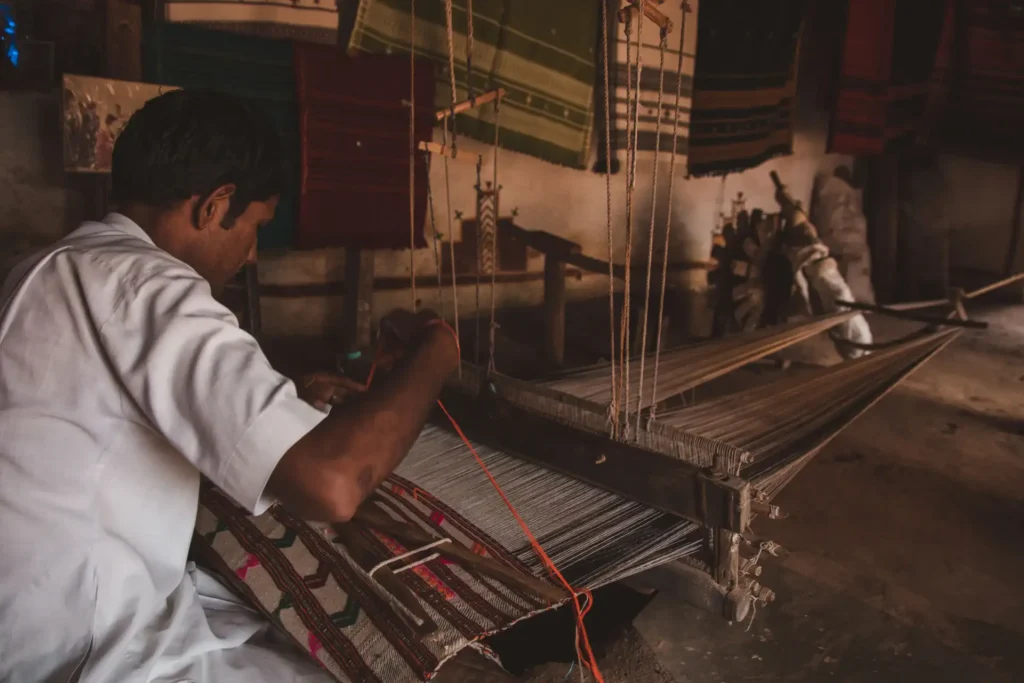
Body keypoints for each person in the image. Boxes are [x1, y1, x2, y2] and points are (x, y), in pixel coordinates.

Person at [0, 89, 460, 682]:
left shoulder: (53, 265)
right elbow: (333, 484)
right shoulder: (148, 286)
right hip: (79, 646)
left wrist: (286, 403)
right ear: (216, 205)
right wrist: (436, 355)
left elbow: (117, 410)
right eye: (255, 227)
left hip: (33, 616)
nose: (250, 255)